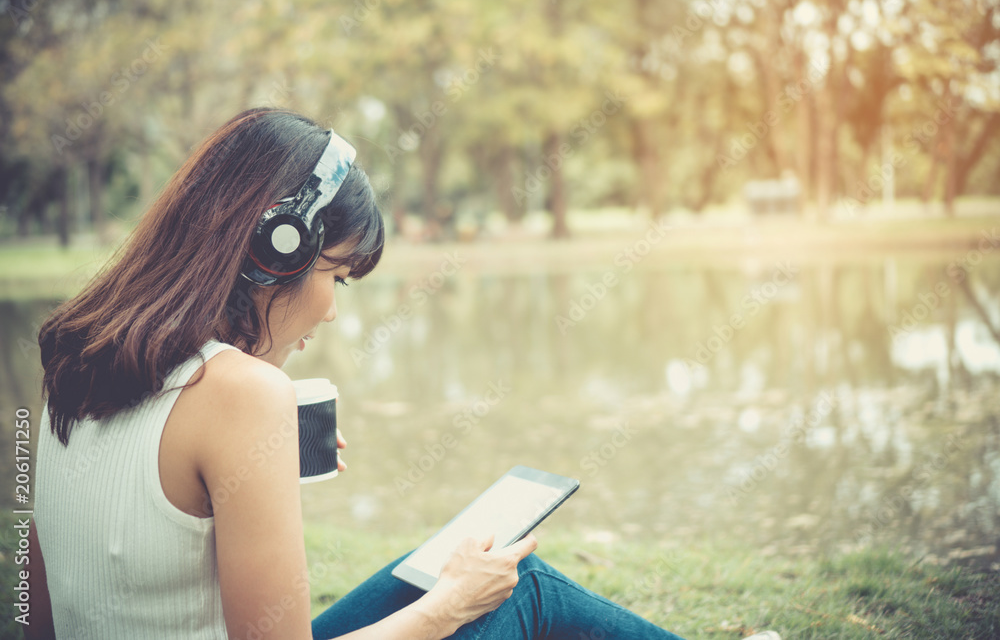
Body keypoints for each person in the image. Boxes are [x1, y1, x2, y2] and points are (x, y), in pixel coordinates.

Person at [27, 108, 778, 640]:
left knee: (422, 571)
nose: (330, 311)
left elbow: (40, 616)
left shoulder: (77, 357)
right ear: (275, 250)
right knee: (516, 588)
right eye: (336, 277)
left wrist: (249, 472)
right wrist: (449, 608)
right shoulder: (244, 395)